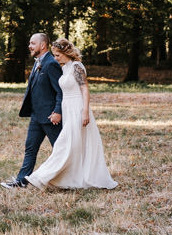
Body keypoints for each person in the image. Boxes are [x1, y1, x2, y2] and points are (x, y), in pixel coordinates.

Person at [25, 37, 118, 190]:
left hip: (77, 108)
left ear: (66, 52)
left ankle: (42, 176)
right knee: (73, 144)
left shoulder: (76, 66)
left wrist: (85, 111)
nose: (55, 58)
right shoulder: (64, 68)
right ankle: (70, 177)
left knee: (64, 144)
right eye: (54, 55)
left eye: (57, 55)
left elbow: (84, 89)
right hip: (67, 109)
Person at [1, 33, 63, 189]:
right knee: (30, 148)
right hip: (36, 116)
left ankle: (70, 178)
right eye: (29, 43)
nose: (29, 46)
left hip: (50, 117)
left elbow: (61, 91)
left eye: (32, 43)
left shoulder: (51, 63)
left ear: (43, 45)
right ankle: (21, 180)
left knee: (61, 150)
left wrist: (58, 111)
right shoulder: (38, 62)